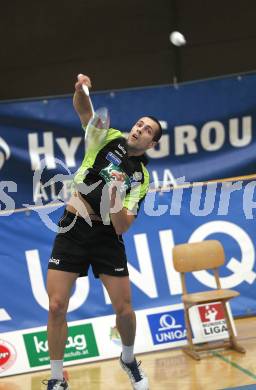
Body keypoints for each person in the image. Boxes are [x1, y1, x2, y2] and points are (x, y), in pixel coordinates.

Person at [44, 74, 162, 390]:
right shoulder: (106, 137)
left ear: (152, 144)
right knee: (56, 305)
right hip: (73, 227)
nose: (139, 129)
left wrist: (114, 196)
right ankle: (56, 378)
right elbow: (84, 109)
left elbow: (123, 225)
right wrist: (81, 89)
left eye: (147, 130)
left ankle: (127, 358)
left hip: (107, 236)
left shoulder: (142, 177)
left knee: (124, 310)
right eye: (139, 124)